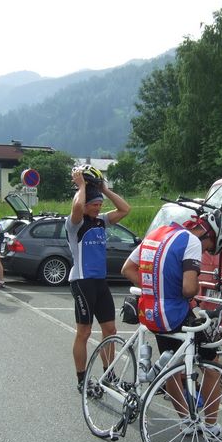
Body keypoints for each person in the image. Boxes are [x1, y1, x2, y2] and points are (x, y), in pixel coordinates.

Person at [120, 209, 222, 442]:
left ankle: (186, 421)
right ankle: (212, 428)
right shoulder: (192, 241)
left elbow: (127, 269)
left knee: (171, 367)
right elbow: (188, 289)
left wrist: (156, 290)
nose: (204, 252)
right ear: (207, 234)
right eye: (208, 248)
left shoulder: (156, 233)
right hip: (174, 315)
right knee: (213, 366)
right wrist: (188, 289)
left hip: (152, 314)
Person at [67, 165, 130, 393]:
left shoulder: (101, 221)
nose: (98, 207)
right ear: (85, 204)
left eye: (100, 204)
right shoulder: (75, 224)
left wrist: (104, 190)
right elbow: (77, 207)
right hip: (82, 282)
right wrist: (81, 186)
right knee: (84, 332)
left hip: (100, 282)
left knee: (110, 330)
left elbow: (125, 209)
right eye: (94, 204)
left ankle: (109, 374)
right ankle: (82, 379)